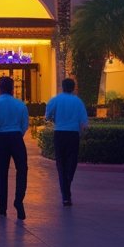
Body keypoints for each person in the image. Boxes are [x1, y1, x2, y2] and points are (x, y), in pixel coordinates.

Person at [0, 75, 28, 220]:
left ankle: (2, 206)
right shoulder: (20, 105)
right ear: (12, 89)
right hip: (17, 137)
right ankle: (18, 200)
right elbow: (24, 126)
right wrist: (17, 134)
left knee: (2, 172)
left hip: (2, 138)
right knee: (22, 169)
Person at [45, 78, 89, 207]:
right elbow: (84, 122)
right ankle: (67, 185)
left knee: (61, 162)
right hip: (73, 134)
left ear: (62, 87)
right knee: (72, 161)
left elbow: (47, 116)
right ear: (73, 88)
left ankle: (65, 192)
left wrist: (54, 119)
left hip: (59, 133)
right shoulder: (78, 102)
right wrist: (83, 133)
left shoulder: (55, 100)